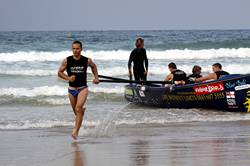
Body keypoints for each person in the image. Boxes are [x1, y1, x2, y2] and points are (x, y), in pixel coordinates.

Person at [58, 41, 99, 140]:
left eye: (77, 48)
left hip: (82, 88)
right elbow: (59, 72)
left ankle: (75, 131)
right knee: (77, 112)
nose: (75, 50)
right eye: (73, 48)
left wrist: (96, 77)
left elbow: (94, 66)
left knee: (78, 108)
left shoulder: (87, 60)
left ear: (81, 49)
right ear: (72, 49)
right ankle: (80, 116)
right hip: (71, 89)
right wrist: (68, 78)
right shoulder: (67, 61)